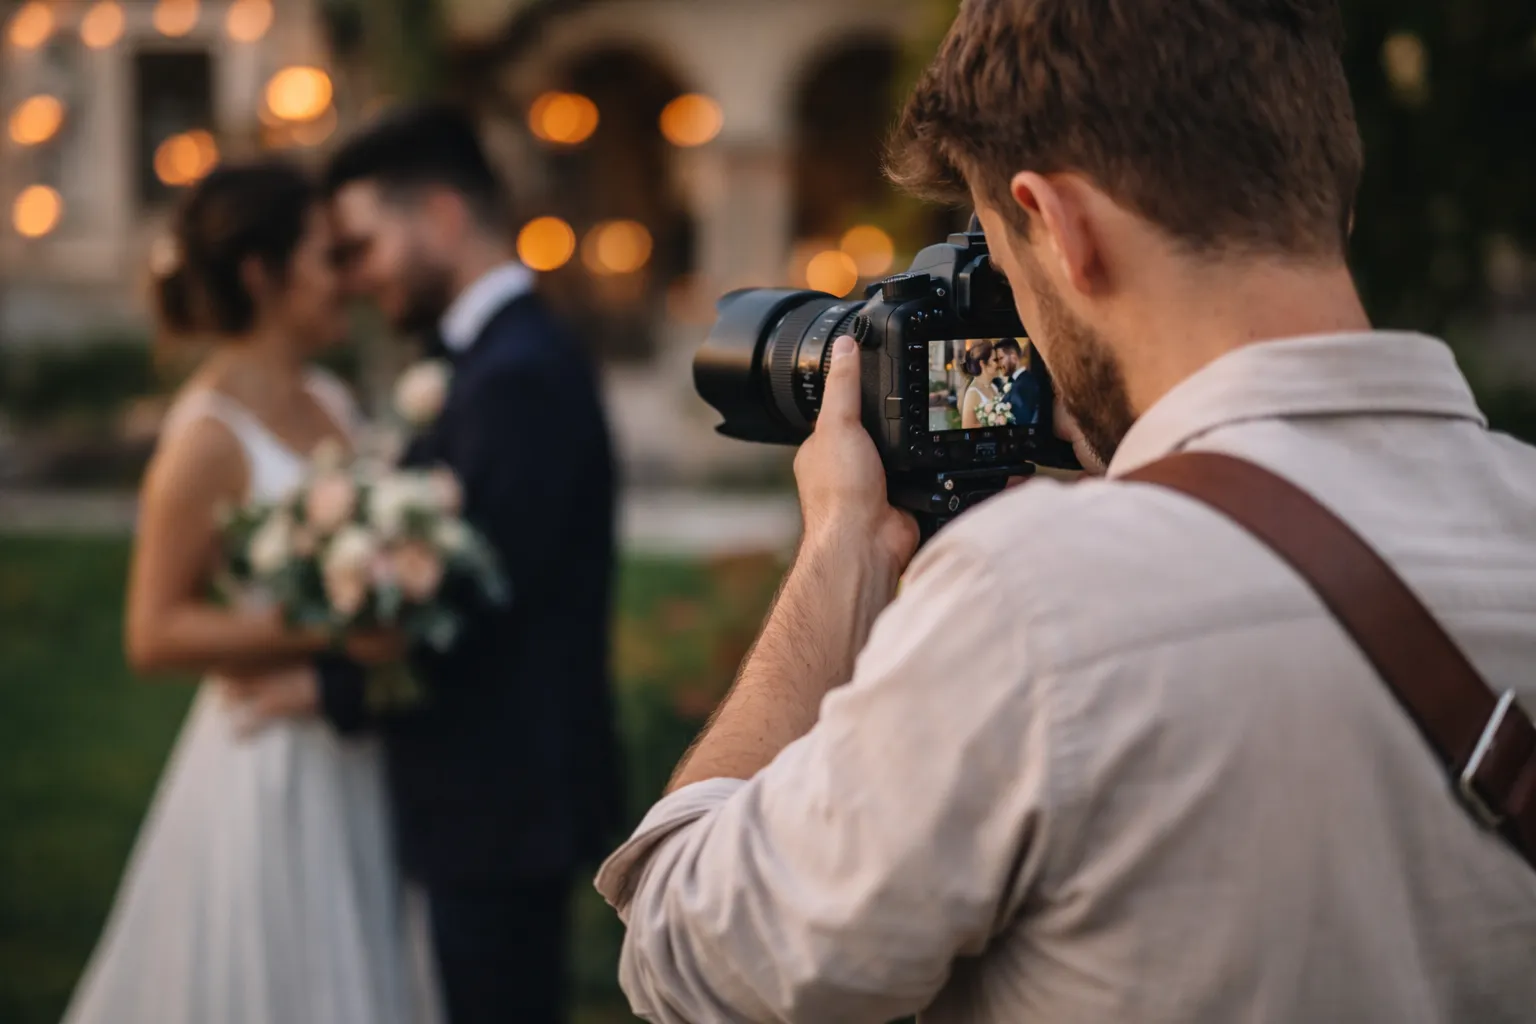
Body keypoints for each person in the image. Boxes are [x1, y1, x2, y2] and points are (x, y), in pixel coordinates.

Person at [596, 1, 1536, 1021]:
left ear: (1062, 228)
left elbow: (682, 956)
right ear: (1333, 210)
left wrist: (839, 552)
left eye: (1004, 268)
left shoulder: (1038, 599)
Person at [64, 160, 440, 1024]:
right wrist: (331, 626)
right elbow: (153, 633)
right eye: (324, 255)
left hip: (357, 749)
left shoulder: (334, 398)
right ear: (261, 275)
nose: (347, 278)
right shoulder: (203, 439)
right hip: (267, 760)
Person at [310, 103, 623, 1024]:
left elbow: (477, 600)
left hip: (501, 797)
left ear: (441, 218)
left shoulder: (516, 371)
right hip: (492, 796)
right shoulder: (493, 358)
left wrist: (320, 689)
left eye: (361, 245)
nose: (356, 277)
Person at [958, 339, 1008, 428]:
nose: (999, 364)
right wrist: (992, 422)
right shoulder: (972, 393)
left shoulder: (993, 387)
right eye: (995, 360)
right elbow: (966, 428)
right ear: (982, 364)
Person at [995, 337, 1042, 426]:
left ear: (1014, 357)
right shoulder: (1020, 381)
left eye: (1001, 358)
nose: (999, 364)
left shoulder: (1024, 385)